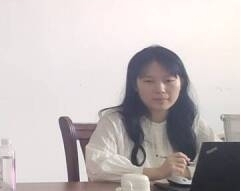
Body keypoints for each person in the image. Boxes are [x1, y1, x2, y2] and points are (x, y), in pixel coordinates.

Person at [85, 45, 217, 183]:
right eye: (149, 81)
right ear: (135, 85)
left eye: (168, 80)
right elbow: (96, 165)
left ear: (182, 83)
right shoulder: (114, 122)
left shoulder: (192, 122)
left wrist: (187, 171)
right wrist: (157, 172)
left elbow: (220, 161)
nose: (160, 89)